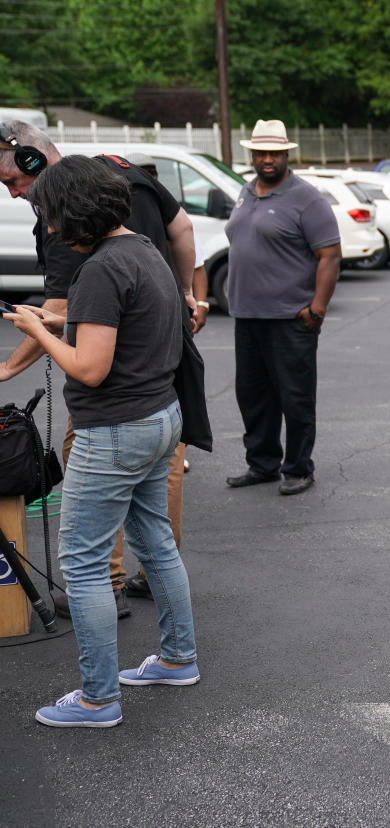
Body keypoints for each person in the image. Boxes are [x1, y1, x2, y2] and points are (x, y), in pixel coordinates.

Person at [5, 156, 199, 727]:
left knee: (85, 565)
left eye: (47, 213)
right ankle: (176, 659)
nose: (47, 225)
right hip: (160, 419)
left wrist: (40, 330)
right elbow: (123, 324)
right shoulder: (143, 249)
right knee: (157, 544)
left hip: (113, 432)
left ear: (73, 211)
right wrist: (60, 321)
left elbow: (90, 369)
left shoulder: (96, 272)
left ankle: (97, 699)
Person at [224, 119, 341, 496]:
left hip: (291, 318)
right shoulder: (246, 191)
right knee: (253, 396)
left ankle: (298, 468)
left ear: (286, 155)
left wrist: (317, 309)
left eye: (275, 153)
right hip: (248, 316)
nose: (267, 159)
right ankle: (262, 464)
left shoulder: (306, 198)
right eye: (261, 153)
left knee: (295, 396)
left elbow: (330, 255)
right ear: (253, 155)